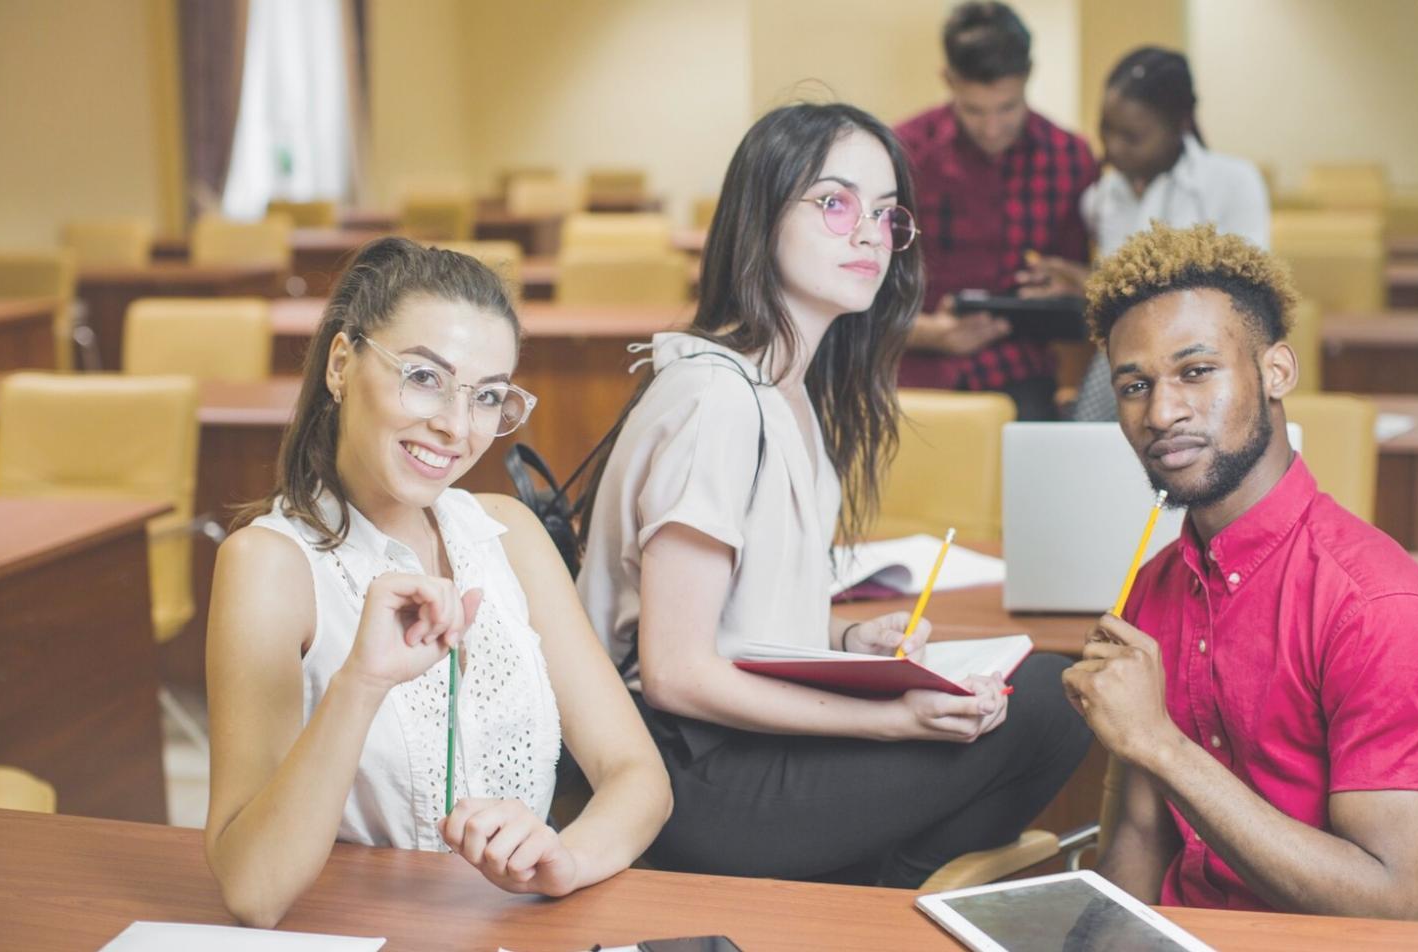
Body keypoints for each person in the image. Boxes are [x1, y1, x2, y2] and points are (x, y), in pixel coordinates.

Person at [576, 102, 1092, 889]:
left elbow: (728, 613)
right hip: (685, 775)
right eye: (836, 203)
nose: (868, 234)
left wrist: (849, 645)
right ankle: (874, 906)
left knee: (1039, 694)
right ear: (761, 215)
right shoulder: (716, 400)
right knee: (1049, 702)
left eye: (886, 214)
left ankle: (867, 900)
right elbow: (678, 670)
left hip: (737, 747)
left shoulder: (784, 391)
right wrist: (887, 719)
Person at [204, 238, 671, 927]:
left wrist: (564, 860)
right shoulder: (269, 564)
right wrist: (361, 682)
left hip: (517, 931)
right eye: (423, 377)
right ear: (340, 363)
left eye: (487, 397)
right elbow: (253, 891)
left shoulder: (507, 533)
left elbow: (639, 776)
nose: (456, 426)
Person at [1062, 223, 1418, 923]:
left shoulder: (1377, 606)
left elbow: (1395, 905)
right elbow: (1137, 836)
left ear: (1277, 371)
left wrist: (1159, 744)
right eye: (1135, 385)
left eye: (1196, 372)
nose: (1163, 413)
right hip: (1186, 932)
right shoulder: (1156, 584)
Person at [1025, 46, 1270, 421]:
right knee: (1086, 443)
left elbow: (1246, 297)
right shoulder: (1102, 196)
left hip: (1208, 363)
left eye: (1132, 136)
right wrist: (1078, 285)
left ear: (1180, 125)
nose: (1112, 147)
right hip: (1123, 362)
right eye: (1106, 129)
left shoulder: (1233, 183)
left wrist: (1095, 282)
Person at [895, 1, 1098, 422]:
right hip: (909, 366)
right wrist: (931, 334)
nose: (991, 129)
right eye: (974, 110)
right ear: (948, 81)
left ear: (1027, 77)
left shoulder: (1069, 158)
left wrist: (1066, 285)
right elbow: (862, 290)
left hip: (1020, 372)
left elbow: (1080, 304)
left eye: (1007, 108)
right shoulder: (903, 152)